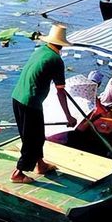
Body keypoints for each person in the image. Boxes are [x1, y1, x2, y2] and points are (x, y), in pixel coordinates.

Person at [10, 24, 77, 183]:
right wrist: (69, 116)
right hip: (30, 102)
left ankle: (40, 165)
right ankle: (18, 173)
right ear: (62, 44)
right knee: (32, 140)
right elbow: (60, 92)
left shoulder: (40, 50)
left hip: (17, 97)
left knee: (37, 136)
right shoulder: (56, 60)